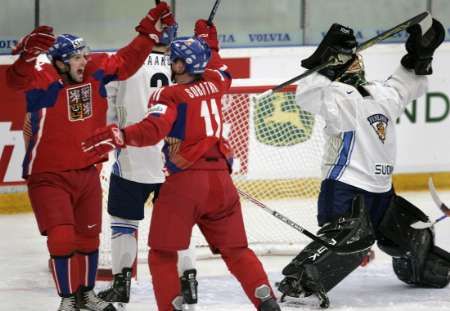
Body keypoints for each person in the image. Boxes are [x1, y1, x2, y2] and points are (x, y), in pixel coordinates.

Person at [82, 20, 281, 311]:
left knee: (162, 253)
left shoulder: (171, 94)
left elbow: (153, 129)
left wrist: (122, 135)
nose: (170, 63)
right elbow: (221, 66)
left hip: (185, 183)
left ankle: (169, 306)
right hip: (222, 182)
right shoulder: (216, 81)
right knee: (237, 250)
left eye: (174, 60)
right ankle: (265, 299)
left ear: (179, 66)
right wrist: (209, 41)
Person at [6, 2, 176, 311]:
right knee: (61, 238)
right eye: (76, 57)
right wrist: (27, 57)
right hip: (48, 176)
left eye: (85, 54)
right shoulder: (43, 79)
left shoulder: (94, 71)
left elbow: (127, 59)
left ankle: (86, 295)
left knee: (89, 240)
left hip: (86, 172)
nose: (84, 60)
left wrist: (149, 30)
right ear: (58, 62)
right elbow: (15, 80)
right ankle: (67, 299)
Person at [276, 18, 450, 308]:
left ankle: (421, 269)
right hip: (346, 187)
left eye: (358, 59)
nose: (357, 62)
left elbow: (407, 85)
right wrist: (325, 62)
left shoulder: (381, 93)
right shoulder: (337, 95)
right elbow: (307, 96)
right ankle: (298, 282)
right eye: (351, 60)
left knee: (415, 231)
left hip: (382, 191)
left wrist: (418, 57)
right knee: (353, 238)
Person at [97, 23, 199, 310]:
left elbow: (109, 112)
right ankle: (188, 283)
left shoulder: (124, 62)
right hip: (175, 160)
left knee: (124, 223)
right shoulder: (183, 65)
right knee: (180, 226)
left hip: (132, 157)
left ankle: (121, 286)